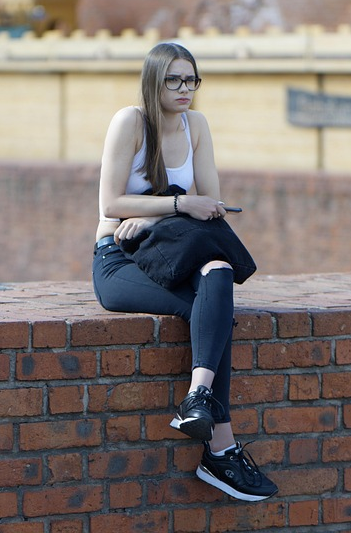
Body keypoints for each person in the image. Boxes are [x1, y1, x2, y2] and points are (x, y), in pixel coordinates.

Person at [92, 42, 277, 502]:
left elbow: (210, 206)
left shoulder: (197, 125)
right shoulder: (130, 122)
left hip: (172, 252)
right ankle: (222, 449)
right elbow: (111, 205)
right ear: (153, 81)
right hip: (120, 260)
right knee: (212, 310)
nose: (184, 88)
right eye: (173, 79)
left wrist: (160, 214)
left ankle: (197, 398)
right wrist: (174, 205)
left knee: (218, 271)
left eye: (191, 79)